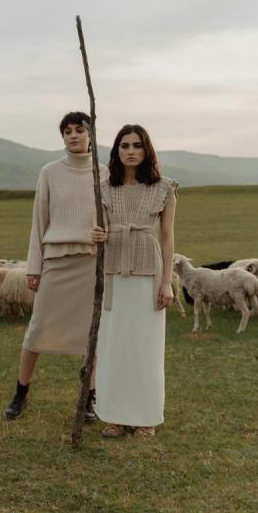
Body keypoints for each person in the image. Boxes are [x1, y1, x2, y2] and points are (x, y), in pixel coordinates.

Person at [4, 111, 107, 421]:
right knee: (37, 330)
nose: (73, 135)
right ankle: (21, 392)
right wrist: (34, 267)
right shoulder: (49, 172)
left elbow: (111, 217)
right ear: (62, 137)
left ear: (91, 135)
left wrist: (106, 234)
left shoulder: (103, 173)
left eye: (80, 130)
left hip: (90, 262)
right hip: (55, 261)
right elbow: (39, 221)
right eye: (67, 131)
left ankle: (89, 396)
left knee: (92, 334)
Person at [90, 124, 177, 438]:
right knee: (113, 346)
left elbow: (167, 237)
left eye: (136, 145)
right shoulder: (103, 186)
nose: (130, 151)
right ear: (116, 151)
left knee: (145, 347)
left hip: (148, 273)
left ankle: (145, 418)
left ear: (146, 150)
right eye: (124, 145)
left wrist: (166, 282)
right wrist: (97, 234)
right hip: (113, 272)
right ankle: (114, 415)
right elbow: (98, 228)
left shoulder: (164, 188)